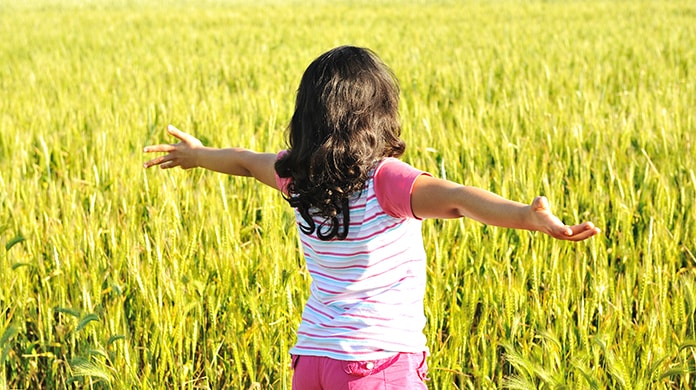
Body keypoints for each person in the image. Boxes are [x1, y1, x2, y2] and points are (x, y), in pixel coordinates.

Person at [144, 45, 600, 389]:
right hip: (375, 363)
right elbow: (459, 198)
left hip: (312, 361)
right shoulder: (386, 180)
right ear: (378, 115)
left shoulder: (295, 174)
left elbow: (244, 161)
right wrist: (526, 214)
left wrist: (198, 155)